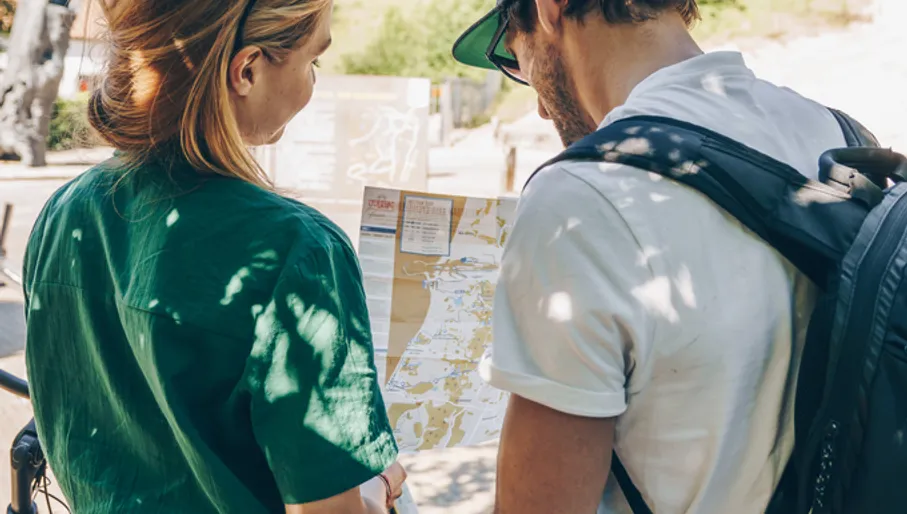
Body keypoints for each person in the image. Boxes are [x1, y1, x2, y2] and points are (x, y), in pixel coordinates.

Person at [452, 1, 852, 512]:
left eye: (517, 60)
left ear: (549, 8)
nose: (542, 109)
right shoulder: (839, 137)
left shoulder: (580, 197)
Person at [22, 1, 406, 512]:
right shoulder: (300, 251)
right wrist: (378, 487)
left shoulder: (64, 213)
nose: (313, 81)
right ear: (246, 70)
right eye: (313, 61)